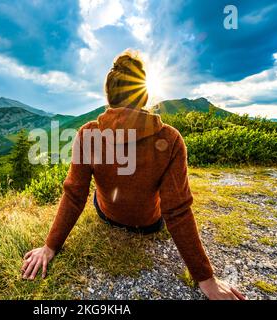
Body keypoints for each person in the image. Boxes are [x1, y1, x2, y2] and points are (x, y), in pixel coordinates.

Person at [21, 51, 246, 300]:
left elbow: (75, 196)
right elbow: (177, 211)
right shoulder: (171, 139)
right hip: (150, 225)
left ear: (108, 97)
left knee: (99, 191)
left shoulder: (88, 134)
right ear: (144, 95)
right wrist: (206, 278)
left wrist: (50, 246)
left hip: (106, 215)